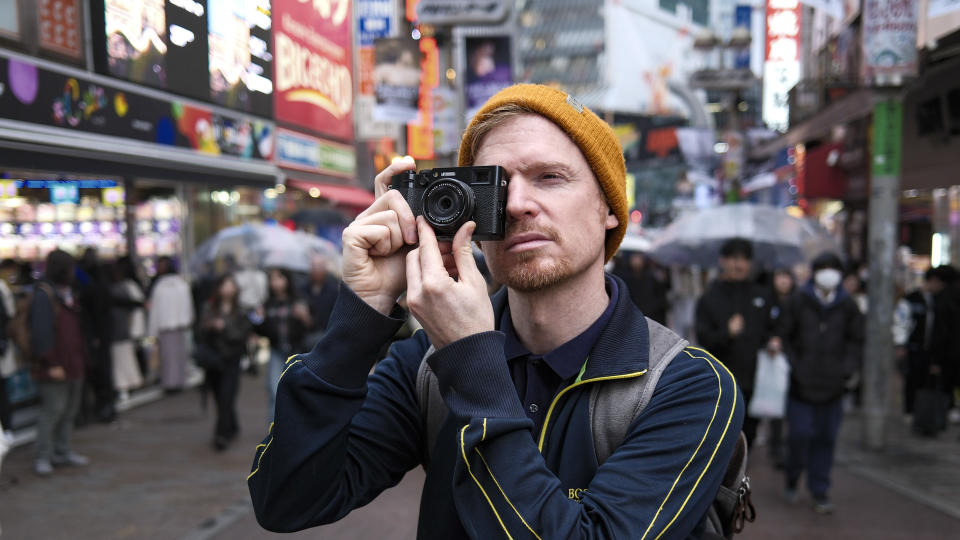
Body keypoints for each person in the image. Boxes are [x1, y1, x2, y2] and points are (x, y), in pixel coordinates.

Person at [248, 84, 743, 538]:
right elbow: (287, 501)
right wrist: (362, 313)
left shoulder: (687, 385)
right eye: (496, 188)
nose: (517, 204)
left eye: (550, 177)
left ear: (608, 207)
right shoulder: (426, 367)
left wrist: (470, 361)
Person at [779, 251, 864, 514]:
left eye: (834, 268)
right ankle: (792, 476)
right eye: (823, 268)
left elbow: (855, 341)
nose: (829, 273)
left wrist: (847, 369)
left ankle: (819, 490)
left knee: (826, 439)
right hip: (801, 385)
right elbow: (786, 336)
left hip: (833, 386)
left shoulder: (848, 306)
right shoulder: (798, 301)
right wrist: (795, 365)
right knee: (799, 435)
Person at [695, 237, 775, 446]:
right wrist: (726, 333)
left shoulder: (762, 295)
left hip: (756, 379)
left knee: (749, 436)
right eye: (733, 258)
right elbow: (703, 337)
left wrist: (774, 341)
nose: (738, 264)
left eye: (743, 259)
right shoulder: (710, 296)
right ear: (723, 261)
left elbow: (771, 329)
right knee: (720, 438)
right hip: (721, 381)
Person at [30, 249, 89, 477]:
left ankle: (62, 450)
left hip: (74, 361)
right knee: (52, 410)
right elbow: (41, 333)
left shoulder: (68, 293)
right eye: (71, 267)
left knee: (69, 410)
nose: (75, 272)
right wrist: (51, 362)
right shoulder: (44, 295)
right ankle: (43, 456)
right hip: (55, 364)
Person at [197, 274, 252, 451]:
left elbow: (242, 335)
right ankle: (232, 425)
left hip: (232, 359)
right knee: (220, 397)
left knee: (227, 395)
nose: (227, 289)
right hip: (213, 359)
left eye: (231, 285)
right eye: (224, 285)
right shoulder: (209, 308)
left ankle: (221, 434)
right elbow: (199, 332)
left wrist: (224, 327)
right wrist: (210, 326)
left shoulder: (241, 310)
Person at [253, 267, 310, 425]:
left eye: (279, 278)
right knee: (274, 389)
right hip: (276, 350)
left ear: (287, 279)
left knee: (297, 389)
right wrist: (259, 319)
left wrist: (305, 317)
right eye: (272, 279)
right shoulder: (267, 304)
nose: (275, 282)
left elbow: (312, 325)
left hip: (296, 350)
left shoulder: (298, 300)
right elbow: (259, 330)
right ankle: (274, 429)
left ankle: (295, 425)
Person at [147, 256, 194, 393]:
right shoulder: (181, 285)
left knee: (169, 358)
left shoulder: (160, 287)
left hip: (166, 326)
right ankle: (177, 381)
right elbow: (189, 308)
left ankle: (171, 383)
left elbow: (155, 311)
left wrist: (152, 331)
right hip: (179, 326)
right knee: (178, 356)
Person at [108, 258, 146, 402]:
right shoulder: (124, 287)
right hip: (123, 331)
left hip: (121, 331)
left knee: (122, 359)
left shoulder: (121, 288)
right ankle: (128, 385)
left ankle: (125, 386)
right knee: (126, 358)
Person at [611, 250, 670, 325]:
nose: (637, 261)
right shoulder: (625, 277)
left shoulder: (651, 276)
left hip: (652, 315)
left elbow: (661, 294)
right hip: (635, 315)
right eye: (634, 258)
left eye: (639, 258)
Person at [301, 253, 340, 348]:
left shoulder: (334, 288)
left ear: (325, 268)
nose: (316, 270)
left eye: (319, 267)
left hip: (328, 333)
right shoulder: (303, 287)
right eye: (313, 267)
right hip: (306, 334)